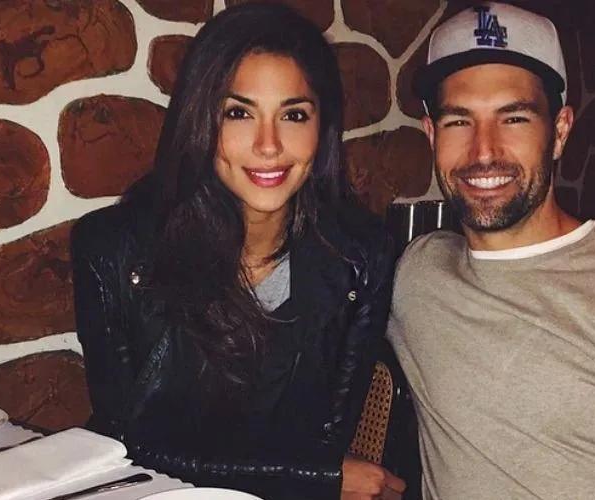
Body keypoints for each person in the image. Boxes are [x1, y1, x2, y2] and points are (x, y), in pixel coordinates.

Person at [71, 4, 406, 499]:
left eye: (293, 114)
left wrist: (311, 476)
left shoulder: (360, 256)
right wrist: (317, 478)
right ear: (200, 120)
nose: (268, 145)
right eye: (239, 113)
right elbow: (126, 446)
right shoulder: (112, 251)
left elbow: (327, 434)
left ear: (323, 129)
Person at [387, 2, 595, 499]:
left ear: (560, 131)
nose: (483, 151)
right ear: (431, 134)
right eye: (458, 121)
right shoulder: (418, 273)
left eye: (514, 118)